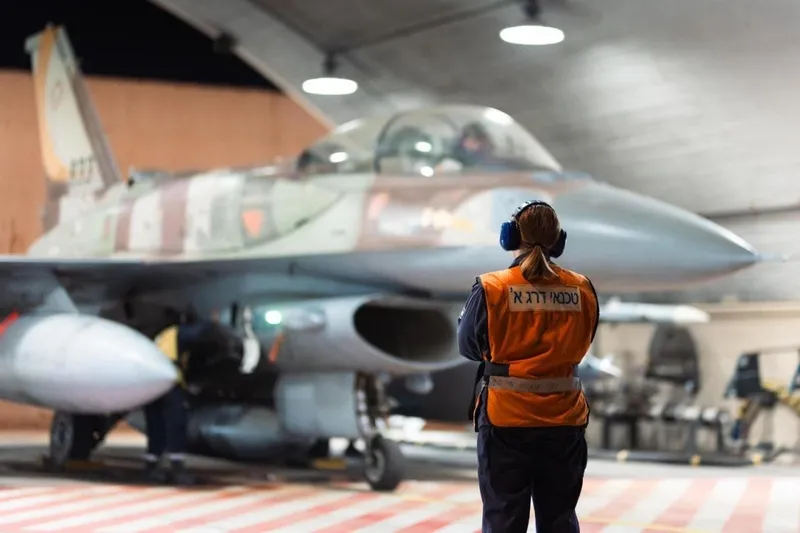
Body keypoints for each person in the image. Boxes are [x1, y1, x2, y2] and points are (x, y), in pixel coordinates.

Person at [457, 201, 600, 533]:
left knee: (504, 517)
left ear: (510, 236)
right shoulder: (582, 288)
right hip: (565, 418)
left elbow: (468, 348)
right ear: (557, 240)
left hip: (506, 419)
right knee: (559, 518)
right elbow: (585, 340)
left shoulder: (492, 287)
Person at [143, 310, 201, 485]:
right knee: (176, 423)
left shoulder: (158, 337)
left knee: (156, 425)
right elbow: (197, 333)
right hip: (169, 384)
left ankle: (151, 466)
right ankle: (177, 468)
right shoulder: (176, 332)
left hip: (150, 385)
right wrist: (214, 323)